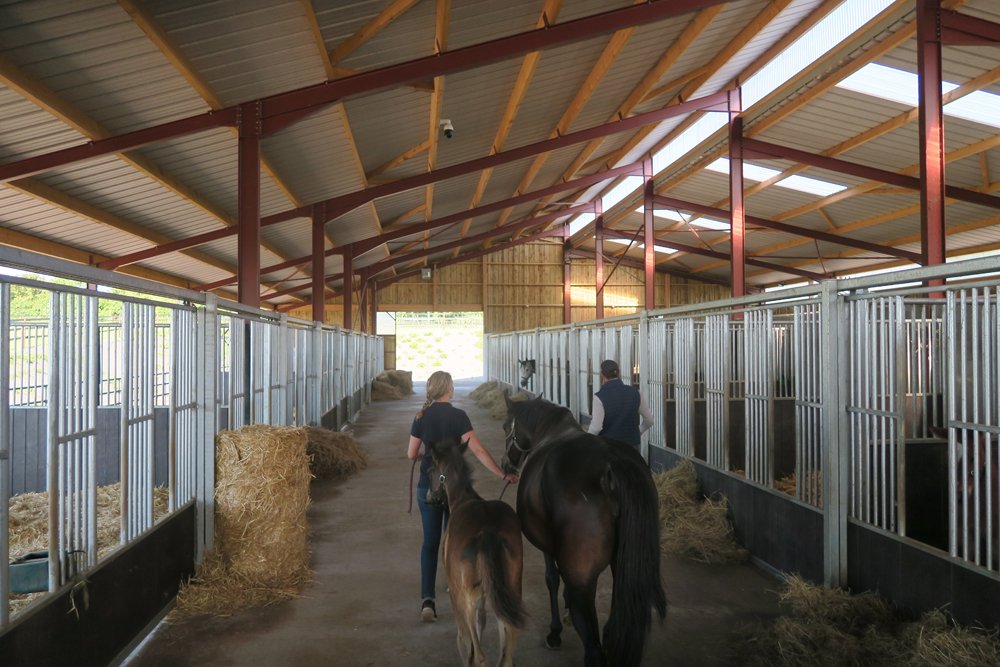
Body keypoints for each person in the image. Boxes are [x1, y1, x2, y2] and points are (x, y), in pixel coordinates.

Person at [407, 370, 518, 622]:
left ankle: (427, 601)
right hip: (456, 490)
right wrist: (502, 474)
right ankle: (456, 583)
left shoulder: (420, 416)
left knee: (430, 543)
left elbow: (411, 453)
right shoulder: (459, 416)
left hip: (428, 487)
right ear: (449, 389)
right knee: (455, 539)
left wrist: (427, 456)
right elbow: (478, 450)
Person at [587, 359, 653, 451]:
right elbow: (649, 420)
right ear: (619, 372)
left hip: (609, 447)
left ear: (602, 375)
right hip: (632, 445)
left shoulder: (599, 397)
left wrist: (587, 441)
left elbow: (596, 428)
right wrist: (639, 431)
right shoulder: (636, 392)